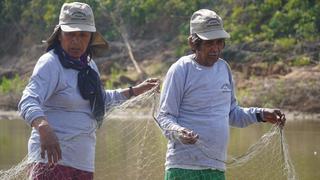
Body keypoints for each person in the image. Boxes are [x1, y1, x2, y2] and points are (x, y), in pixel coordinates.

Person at [18, 2, 159, 180]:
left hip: (82, 162)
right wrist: (44, 128)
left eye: (82, 35)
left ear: (90, 38)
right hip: (50, 161)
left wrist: (135, 90)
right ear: (60, 35)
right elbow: (28, 100)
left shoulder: (89, 66)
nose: (76, 41)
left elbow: (101, 100)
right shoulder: (51, 63)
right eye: (70, 34)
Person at [156, 9, 286, 180]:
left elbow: (232, 114)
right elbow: (164, 117)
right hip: (183, 167)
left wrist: (260, 114)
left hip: (216, 169)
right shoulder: (181, 69)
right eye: (209, 43)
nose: (216, 48)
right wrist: (179, 132)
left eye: (220, 42)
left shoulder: (223, 68)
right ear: (193, 43)